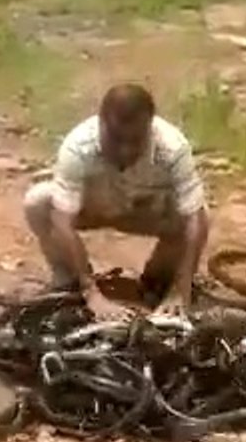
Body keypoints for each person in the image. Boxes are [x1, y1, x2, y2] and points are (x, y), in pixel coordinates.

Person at [24, 83, 210, 321]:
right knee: (38, 203)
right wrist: (91, 293)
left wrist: (181, 291)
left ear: (150, 128)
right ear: (100, 123)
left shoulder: (173, 148)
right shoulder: (77, 146)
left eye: (135, 140)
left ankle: (160, 283)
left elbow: (195, 220)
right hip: (93, 208)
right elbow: (62, 221)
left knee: (199, 213)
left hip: (144, 211)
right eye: (116, 138)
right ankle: (69, 284)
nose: (125, 150)